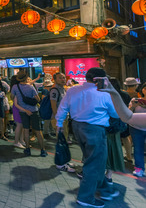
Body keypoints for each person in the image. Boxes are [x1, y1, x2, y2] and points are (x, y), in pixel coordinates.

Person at [56, 68, 120, 208]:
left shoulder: (73, 90)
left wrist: (59, 123)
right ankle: (86, 197)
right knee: (95, 162)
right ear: (102, 79)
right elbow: (115, 114)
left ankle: (104, 189)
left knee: (93, 160)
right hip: (95, 129)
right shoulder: (104, 93)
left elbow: (63, 107)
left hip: (77, 127)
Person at [11, 71, 46, 157]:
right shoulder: (31, 87)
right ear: (26, 77)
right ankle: (43, 150)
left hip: (23, 111)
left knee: (26, 130)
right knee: (38, 131)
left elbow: (12, 97)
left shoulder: (15, 87)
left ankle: (27, 149)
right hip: (33, 111)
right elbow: (37, 98)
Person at [105, 78, 127, 184]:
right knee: (114, 149)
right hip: (116, 127)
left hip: (106, 126)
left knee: (105, 149)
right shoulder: (123, 95)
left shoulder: (105, 95)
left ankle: (105, 174)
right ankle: (109, 174)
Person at [128, 82, 146, 177]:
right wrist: (133, 107)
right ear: (142, 90)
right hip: (136, 127)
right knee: (138, 148)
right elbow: (128, 113)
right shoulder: (135, 100)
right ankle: (139, 169)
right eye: (145, 88)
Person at [9, 75, 26, 149]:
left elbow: (11, 97)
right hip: (18, 107)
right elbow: (12, 97)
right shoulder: (16, 87)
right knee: (19, 124)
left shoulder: (14, 87)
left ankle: (21, 140)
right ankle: (16, 141)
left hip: (17, 106)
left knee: (21, 124)